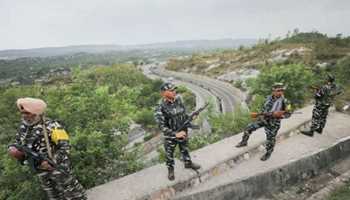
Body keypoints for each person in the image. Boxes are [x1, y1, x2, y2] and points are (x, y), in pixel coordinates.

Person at [8, 97, 86, 200]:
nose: (24, 116)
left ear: (35, 113)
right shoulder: (24, 127)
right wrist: (13, 149)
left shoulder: (52, 126)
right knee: (54, 196)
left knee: (73, 195)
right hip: (40, 169)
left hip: (57, 167)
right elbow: (18, 142)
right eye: (22, 113)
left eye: (27, 113)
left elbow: (65, 146)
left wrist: (51, 161)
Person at [154, 82, 201, 181]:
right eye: (171, 90)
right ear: (163, 93)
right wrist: (175, 134)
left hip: (183, 132)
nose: (174, 92)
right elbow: (161, 127)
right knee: (169, 154)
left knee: (184, 149)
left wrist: (191, 117)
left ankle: (188, 163)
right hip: (171, 136)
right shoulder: (160, 107)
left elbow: (183, 115)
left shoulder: (179, 100)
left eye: (174, 90)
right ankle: (170, 170)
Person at [236, 83, 292, 161]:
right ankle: (244, 142)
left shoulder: (285, 101)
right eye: (278, 90)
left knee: (270, 139)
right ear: (273, 91)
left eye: (282, 90)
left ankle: (268, 153)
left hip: (273, 123)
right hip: (263, 119)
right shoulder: (268, 98)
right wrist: (260, 115)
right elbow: (264, 108)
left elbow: (288, 114)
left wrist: (279, 115)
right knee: (249, 127)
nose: (280, 92)